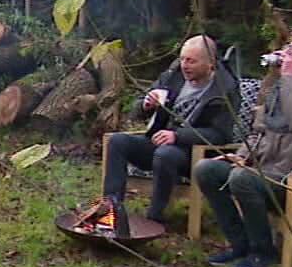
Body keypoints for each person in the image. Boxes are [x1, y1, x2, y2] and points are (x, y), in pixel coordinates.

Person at [192, 28, 292, 267]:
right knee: (207, 169)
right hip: (270, 174)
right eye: (288, 46)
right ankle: (240, 245)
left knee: (243, 178)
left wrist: (287, 78)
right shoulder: (282, 88)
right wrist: (242, 155)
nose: (287, 52)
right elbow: (259, 132)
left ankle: (264, 253)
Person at [99, 34, 239, 235]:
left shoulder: (225, 89)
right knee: (118, 141)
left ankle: (155, 219)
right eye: (182, 59)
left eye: (191, 61)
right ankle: (110, 210)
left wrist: (178, 136)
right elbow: (136, 109)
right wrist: (146, 104)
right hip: (159, 143)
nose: (185, 65)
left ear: (210, 63)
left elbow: (220, 135)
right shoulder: (173, 75)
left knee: (166, 154)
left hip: (195, 156)